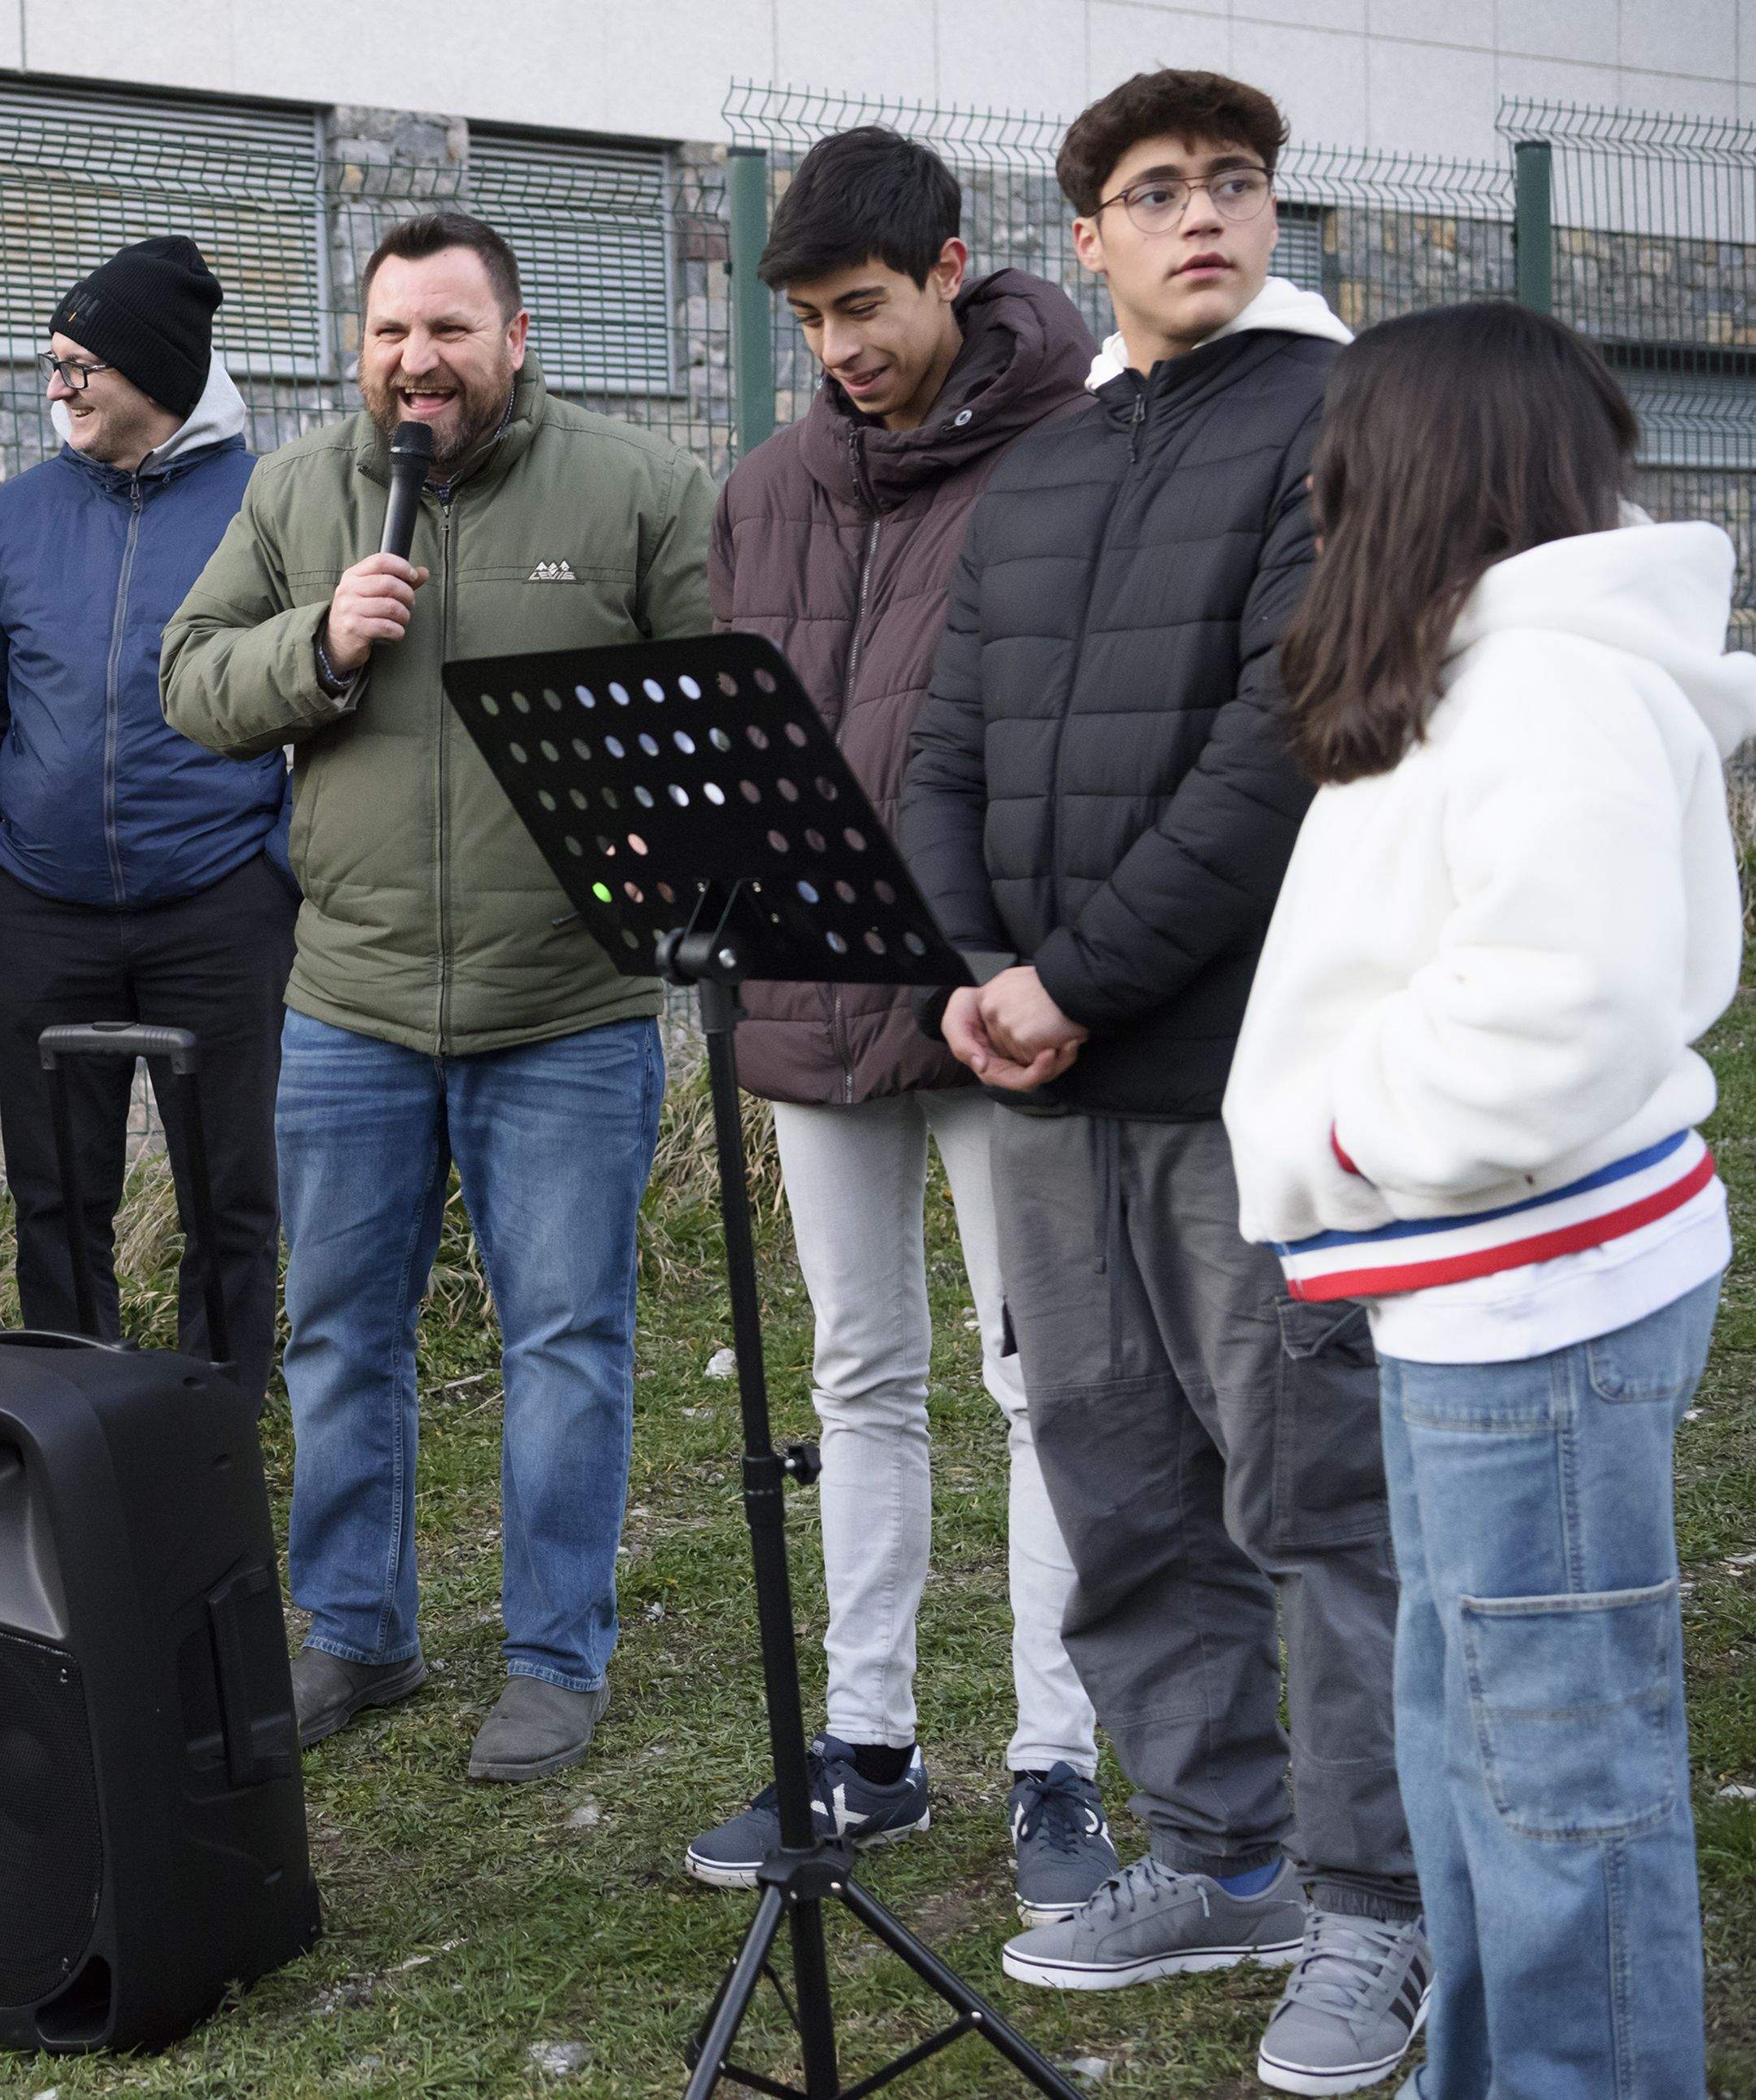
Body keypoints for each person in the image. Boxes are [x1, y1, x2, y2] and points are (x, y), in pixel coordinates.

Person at [898, 71, 1425, 2094]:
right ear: (1086, 242)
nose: (1197, 213)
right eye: (1149, 190)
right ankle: (1220, 1853)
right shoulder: (1033, 468)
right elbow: (938, 743)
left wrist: (1070, 977)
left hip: (1236, 1071)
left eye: (1229, 183)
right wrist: (971, 970)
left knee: (1307, 1492)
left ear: (1266, 215)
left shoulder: (1334, 430)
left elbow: (1281, 741)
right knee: (1111, 1479)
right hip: (1036, 1077)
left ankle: (1372, 1905)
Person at [1227, 302, 1745, 2100]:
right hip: (1494, 1283)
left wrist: (1350, 1137)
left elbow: (1559, 997)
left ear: (1419, 463)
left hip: (1533, 1286)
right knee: (1478, 1735)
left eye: (1344, 448)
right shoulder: (1506, 656)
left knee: (1552, 1765)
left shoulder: (1550, 680)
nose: (1322, 480)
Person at [164, 212, 715, 1783]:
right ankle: (356, 1632)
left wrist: (650, 848)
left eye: (450, 331)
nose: (417, 362)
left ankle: (553, 1655)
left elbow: (721, 703)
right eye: (392, 331)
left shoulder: (636, 493)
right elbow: (186, 680)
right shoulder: (291, 494)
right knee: (341, 1340)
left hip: (566, 1015)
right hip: (348, 1004)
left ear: (514, 339)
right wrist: (315, 650)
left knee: (566, 1344)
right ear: (361, 344)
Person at [674, 127, 1116, 1927]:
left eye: (858, 305)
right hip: (803, 993)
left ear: (947, 266)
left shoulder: (1077, 449)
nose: (835, 348)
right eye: (804, 320)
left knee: (1042, 1390)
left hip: (997, 1004)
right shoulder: (765, 483)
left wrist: (1052, 965)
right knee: (857, 1376)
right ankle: (867, 1746)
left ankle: (1054, 1763)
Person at [0, 236, 293, 1392]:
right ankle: (79, 1407)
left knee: (230, 1191)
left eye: (81, 363)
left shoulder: (271, 506)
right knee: (56, 1191)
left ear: (159, 372)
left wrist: (276, 867)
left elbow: (335, 692)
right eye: (53, 362)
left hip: (225, 903)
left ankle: (215, 1409)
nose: (59, 387)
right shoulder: (15, 517)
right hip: (37, 909)